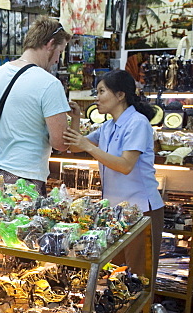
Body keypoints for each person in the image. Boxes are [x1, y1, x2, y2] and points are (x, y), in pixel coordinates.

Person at [64, 70, 164, 275]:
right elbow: (75, 147)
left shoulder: (137, 122)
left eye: (101, 91)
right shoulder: (108, 126)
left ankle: (145, 308)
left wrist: (90, 147)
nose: (96, 97)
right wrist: (75, 119)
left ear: (120, 95)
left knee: (139, 275)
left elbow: (126, 165)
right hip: (114, 212)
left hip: (141, 210)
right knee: (115, 272)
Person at [0, 16, 78, 193]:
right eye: (60, 52)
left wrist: (15, 123)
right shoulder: (49, 84)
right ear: (50, 44)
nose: (56, 60)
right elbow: (60, 143)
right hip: (26, 181)